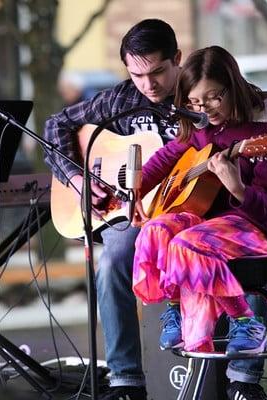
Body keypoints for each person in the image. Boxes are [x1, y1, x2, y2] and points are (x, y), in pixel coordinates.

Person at [131, 45, 267, 400]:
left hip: (254, 230)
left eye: (213, 98)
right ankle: (174, 310)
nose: (204, 109)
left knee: (186, 243)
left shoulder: (266, 136)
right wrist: (134, 189)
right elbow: (167, 158)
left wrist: (236, 186)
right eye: (194, 102)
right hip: (207, 230)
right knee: (154, 230)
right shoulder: (203, 131)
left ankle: (245, 323)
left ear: (233, 87)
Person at [43, 19, 181, 400]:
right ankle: (125, 381)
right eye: (137, 74)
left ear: (177, 60)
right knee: (113, 260)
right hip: (128, 212)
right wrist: (76, 179)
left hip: (182, 211)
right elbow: (56, 126)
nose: (148, 85)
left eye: (157, 72)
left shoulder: (199, 96)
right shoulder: (119, 98)